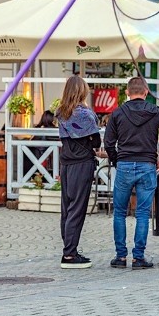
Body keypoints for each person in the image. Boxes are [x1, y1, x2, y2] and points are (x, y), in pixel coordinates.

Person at [104, 77, 159, 269]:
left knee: (120, 212)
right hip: (147, 165)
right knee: (143, 213)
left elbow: (108, 142)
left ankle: (120, 257)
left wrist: (115, 159)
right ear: (146, 92)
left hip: (125, 164)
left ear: (127, 93)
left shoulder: (118, 113)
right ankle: (138, 257)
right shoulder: (155, 111)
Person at [55, 76, 101, 269]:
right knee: (77, 208)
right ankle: (70, 254)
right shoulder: (84, 114)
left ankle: (69, 248)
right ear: (82, 91)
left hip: (66, 163)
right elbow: (96, 142)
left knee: (67, 207)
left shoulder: (61, 112)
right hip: (82, 163)